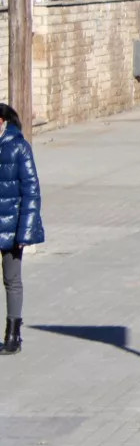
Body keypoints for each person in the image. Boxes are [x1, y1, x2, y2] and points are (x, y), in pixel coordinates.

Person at [0, 103, 44, 356]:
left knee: (12, 279)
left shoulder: (19, 147)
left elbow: (31, 192)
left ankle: (13, 334)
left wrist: (25, 233)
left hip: (11, 226)